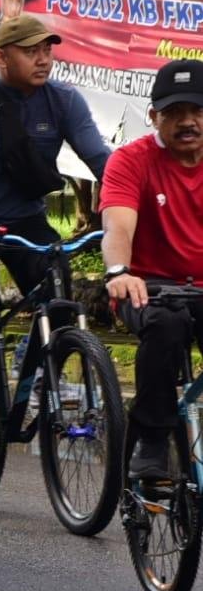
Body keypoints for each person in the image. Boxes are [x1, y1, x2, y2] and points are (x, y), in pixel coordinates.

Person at [0, 14, 111, 473]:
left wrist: (131, 209)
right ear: (1, 57)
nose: (43, 59)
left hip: (25, 222)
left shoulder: (63, 100)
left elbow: (101, 159)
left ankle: (38, 371)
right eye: (31, 51)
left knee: (60, 298)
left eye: (47, 50)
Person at [100, 60, 203, 478]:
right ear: (154, 116)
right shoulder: (131, 160)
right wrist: (119, 271)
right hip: (147, 285)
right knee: (165, 325)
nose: (188, 122)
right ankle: (153, 438)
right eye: (175, 112)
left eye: (197, 110)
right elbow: (118, 226)